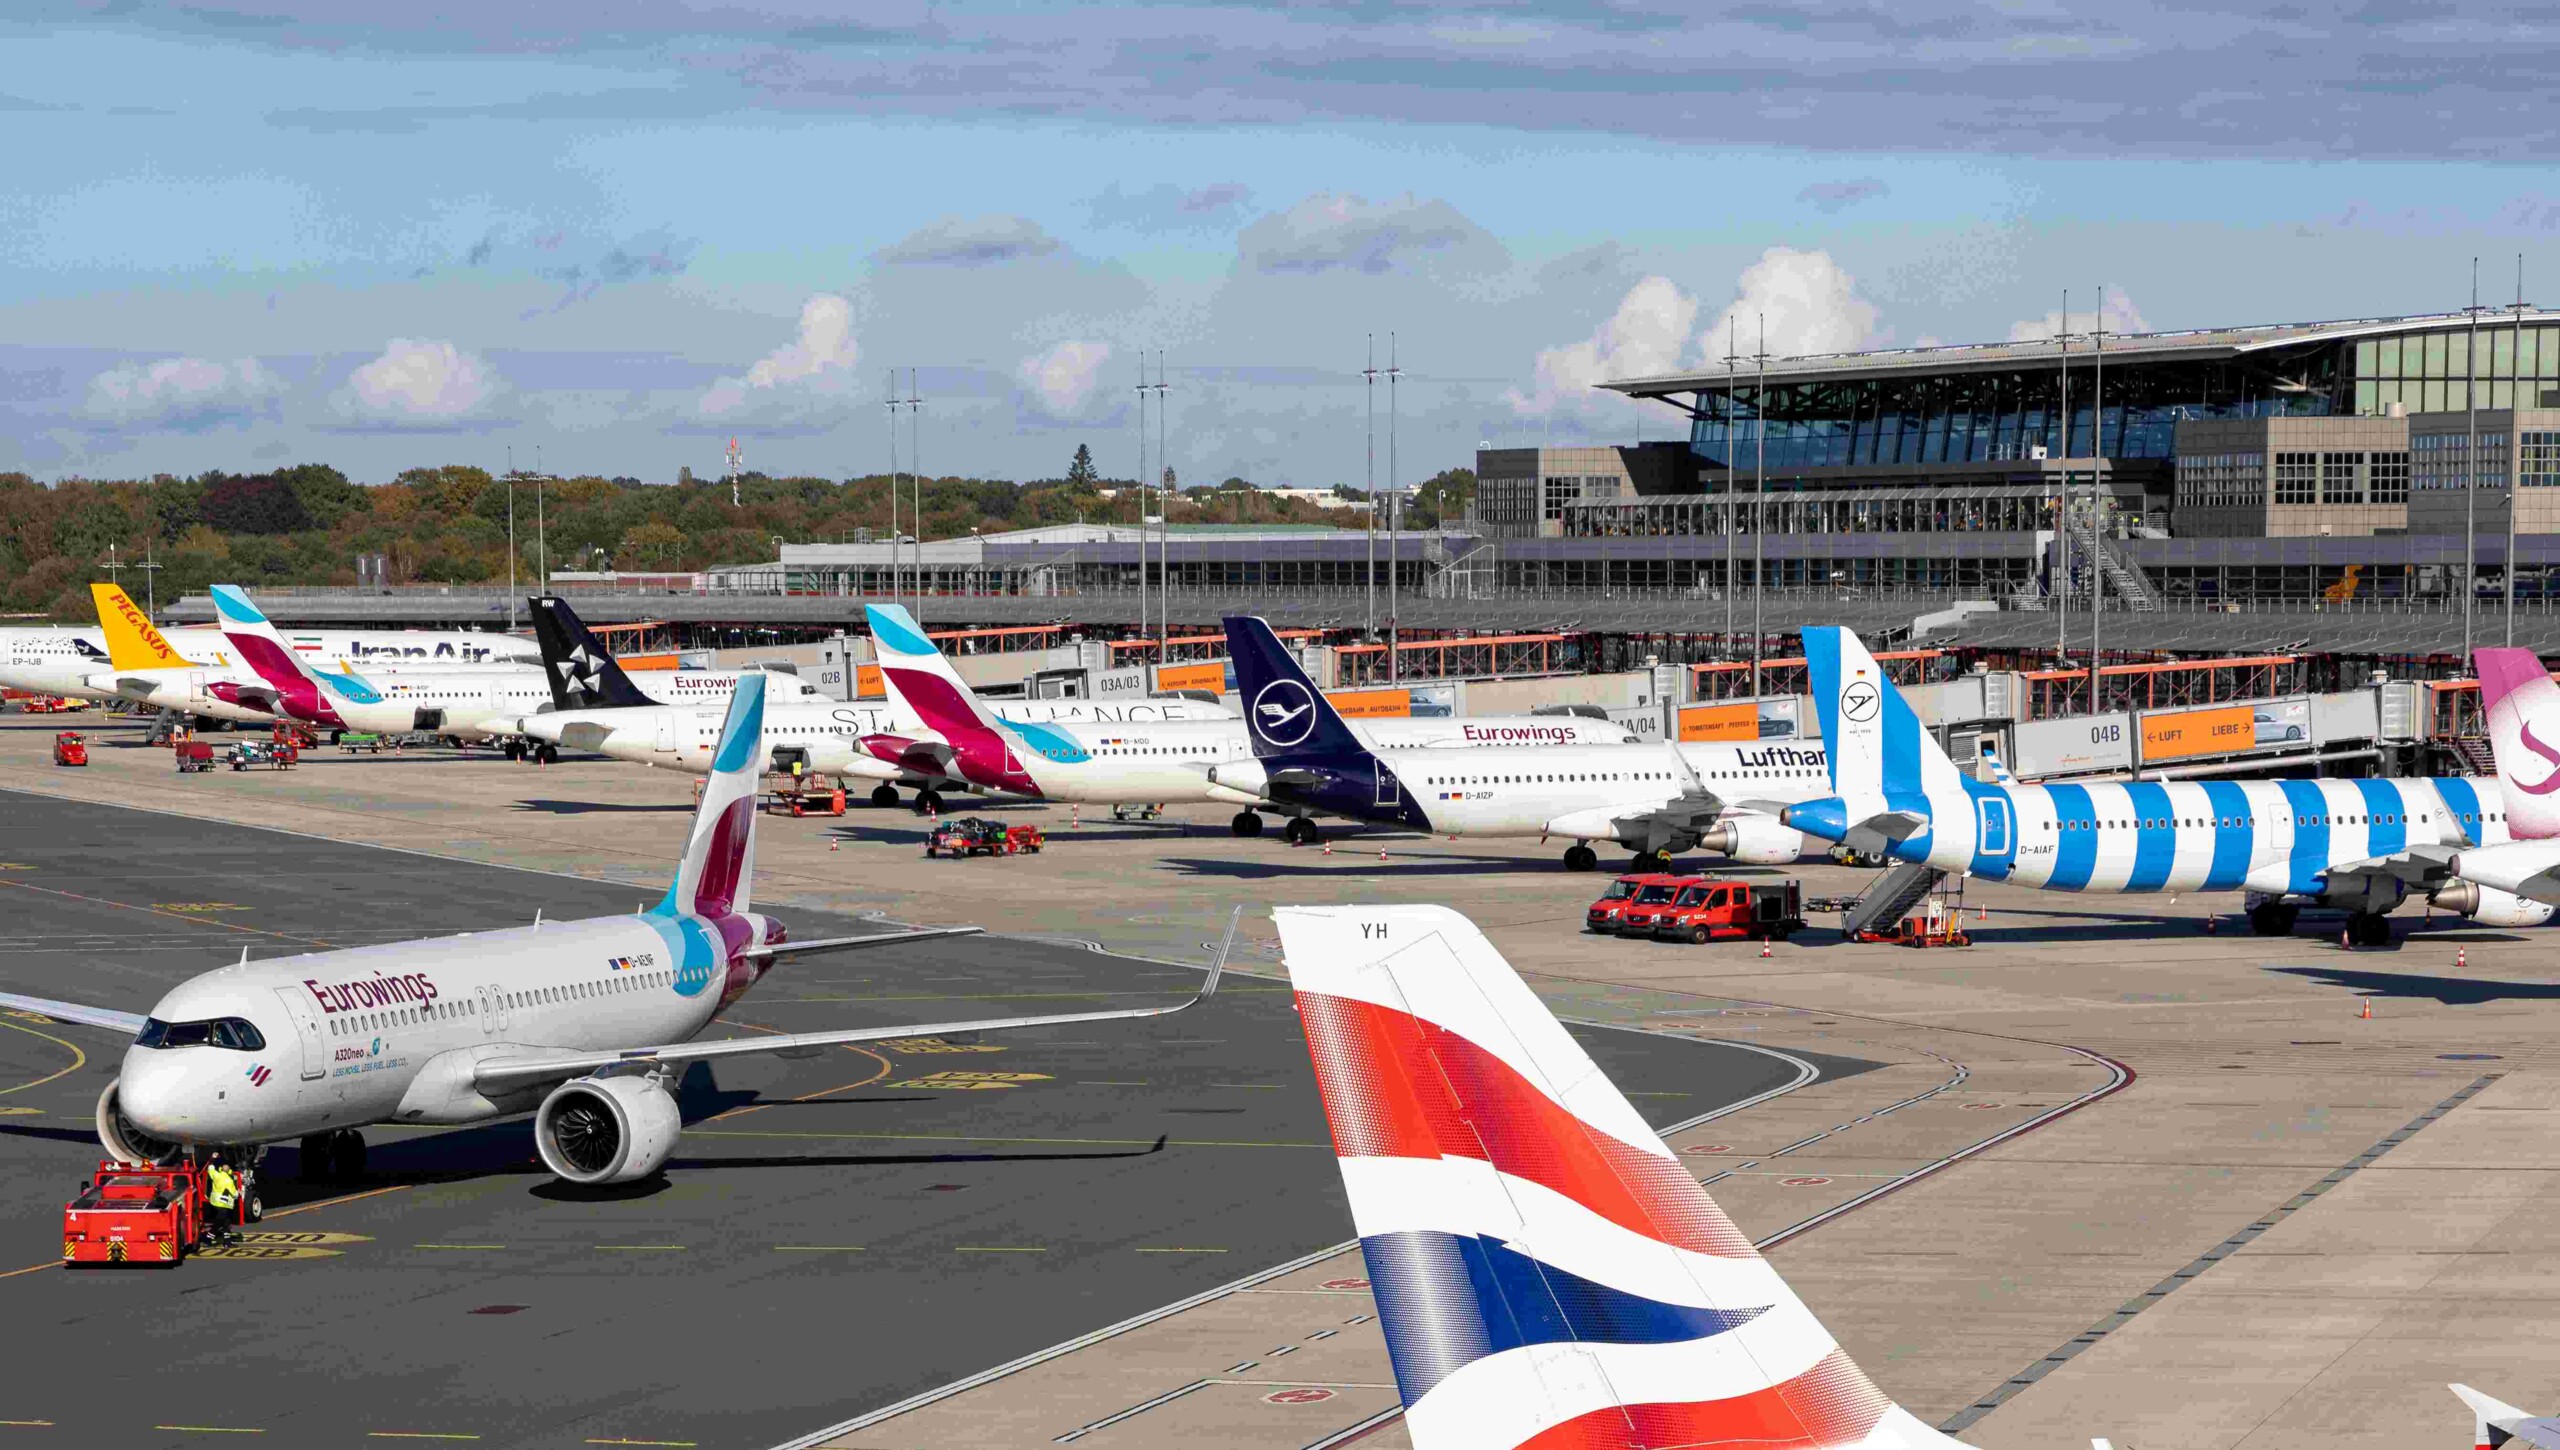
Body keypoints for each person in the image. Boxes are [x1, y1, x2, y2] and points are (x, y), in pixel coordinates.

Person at [204, 1154, 239, 1246]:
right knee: (219, 1222)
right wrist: (239, 1192)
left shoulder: (216, 1175)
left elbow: (210, 1168)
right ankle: (208, 1238)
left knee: (226, 1222)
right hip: (223, 1205)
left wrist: (212, 1159)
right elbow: (235, 1194)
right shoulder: (229, 1180)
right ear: (230, 1171)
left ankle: (227, 1242)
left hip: (214, 1203)